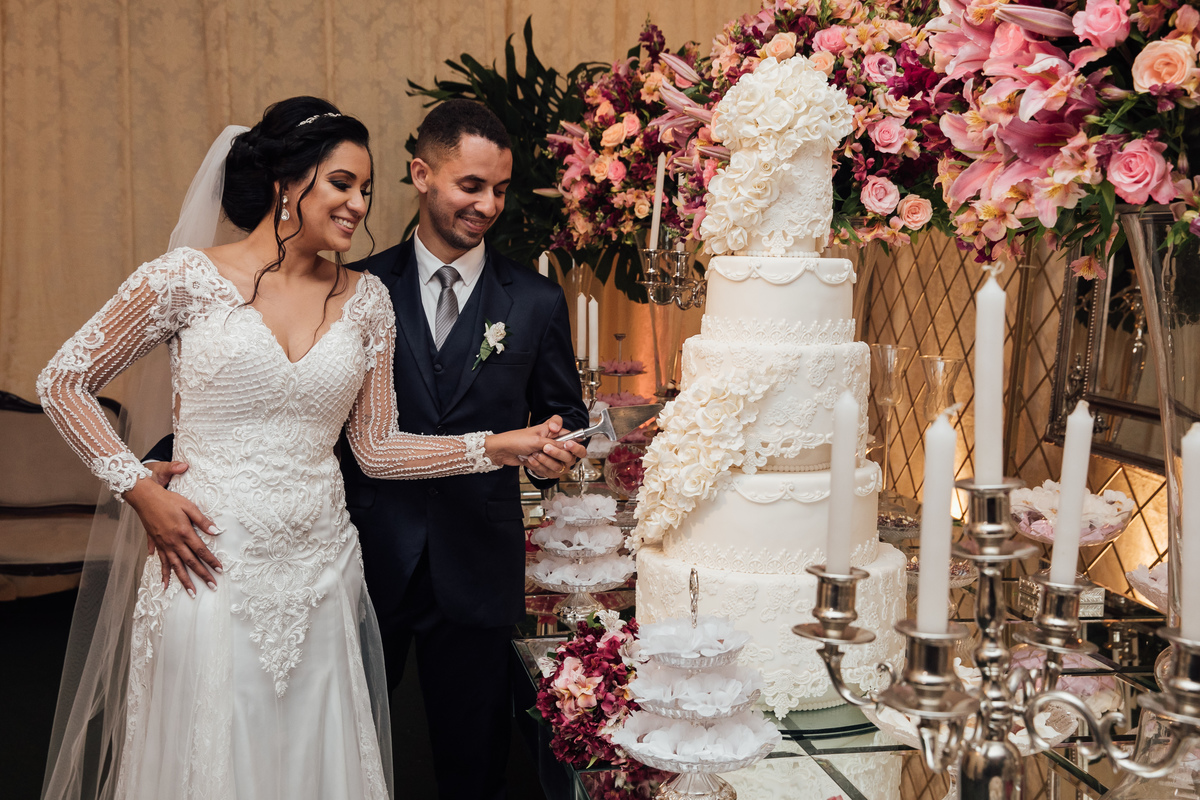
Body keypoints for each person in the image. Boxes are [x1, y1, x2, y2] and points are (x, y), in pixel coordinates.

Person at [37, 96, 568, 799]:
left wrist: (494, 447)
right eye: (342, 183)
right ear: (286, 181)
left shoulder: (367, 299)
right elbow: (63, 382)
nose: (358, 205)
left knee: (314, 759)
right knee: (213, 753)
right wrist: (139, 490)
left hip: (321, 568)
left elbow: (377, 448)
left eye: (365, 190)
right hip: (209, 557)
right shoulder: (183, 279)